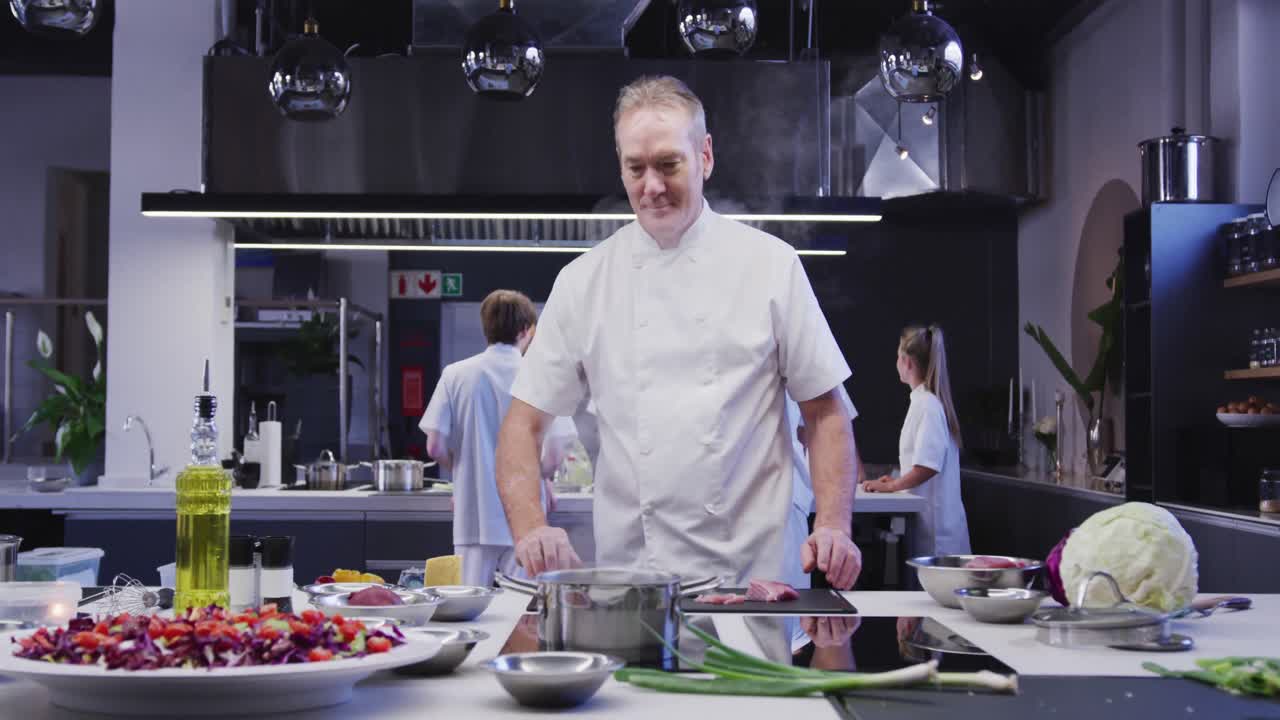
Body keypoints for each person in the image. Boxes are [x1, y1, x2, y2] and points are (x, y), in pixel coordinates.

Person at [495, 75, 863, 590]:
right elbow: (521, 424)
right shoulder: (583, 281)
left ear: (705, 156)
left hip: (752, 577)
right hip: (634, 581)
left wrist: (833, 525)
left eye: (669, 164)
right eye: (635, 167)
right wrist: (531, 526)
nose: (651, 186)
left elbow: (825, 413)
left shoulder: (770, 266)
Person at [420, 289, 567, 588]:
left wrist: (461, 472)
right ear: (527, 330)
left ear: (485, 327)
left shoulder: (455, 375)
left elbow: (434, 446)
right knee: (522, 615)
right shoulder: (542, 376)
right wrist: (544, 478)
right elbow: (553, 457)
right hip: (525, 524)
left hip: (473, 519)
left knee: (472, 612)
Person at [860, 325, 970, 557]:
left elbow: (928, 466)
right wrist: (901, 480)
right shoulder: (924, 402)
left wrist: (892, 487)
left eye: (897, 357)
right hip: (933, 529)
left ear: (907, 362)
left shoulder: (927, 405)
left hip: (938, 536)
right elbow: (922, 464)